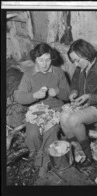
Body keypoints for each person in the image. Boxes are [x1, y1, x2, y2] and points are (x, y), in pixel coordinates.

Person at [60, 39, 97, 168]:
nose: (76, 64)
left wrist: (89, 96)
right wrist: (74, 92)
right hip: (84, 103)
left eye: (77, 60)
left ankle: (87, 156)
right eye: (73, 61)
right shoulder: (81, 67)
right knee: (63, 117)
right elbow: (74, 84)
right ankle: (75, 151)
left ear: (86, 54)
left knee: (74, 120)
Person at [14, 43, 70, 173]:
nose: (44, 64)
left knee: (51, 132)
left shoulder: (58, 72)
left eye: (48, 59)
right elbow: (20, 97)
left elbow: (67, 95)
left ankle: (43, 164)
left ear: (52, 59)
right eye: (41, 60)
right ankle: (39, 158)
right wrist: (34, 95)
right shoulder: (28, 74)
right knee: (32, 134)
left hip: (55, 110)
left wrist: (57, 91)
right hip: (36, 111)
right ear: (35, 59)